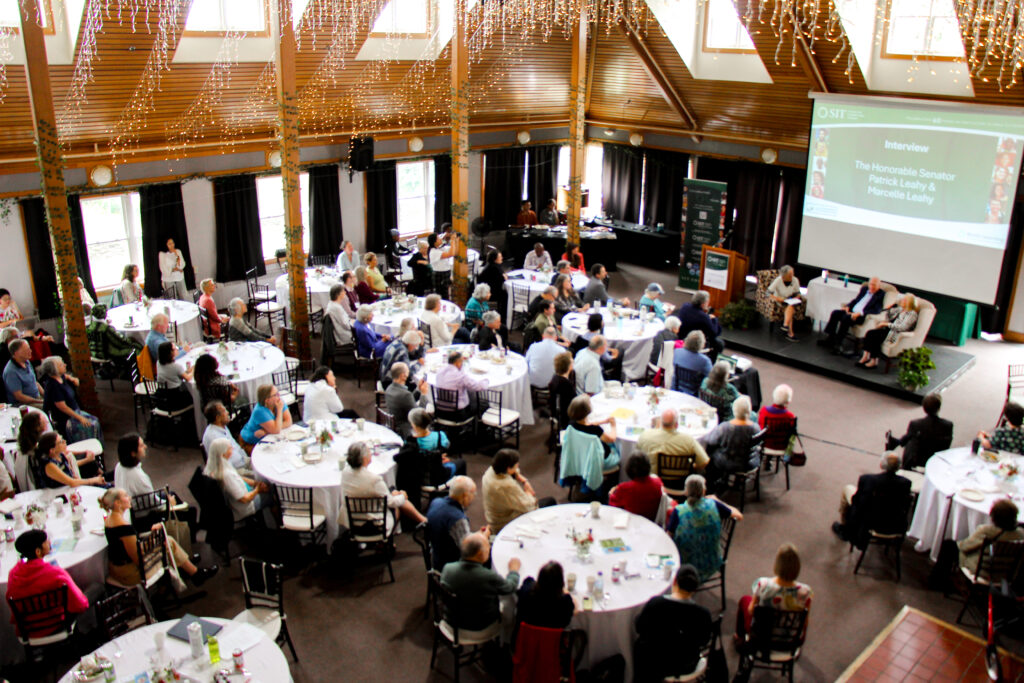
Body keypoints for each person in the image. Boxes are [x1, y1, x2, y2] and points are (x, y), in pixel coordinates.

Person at [99, 488, 217, 586]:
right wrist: (155, 538)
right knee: (168, 543)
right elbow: (138, 559)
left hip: (119, 568)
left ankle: (192, 571)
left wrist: (153, 536)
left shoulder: (109, 520)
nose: (129, 498)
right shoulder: (123, 527)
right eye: (125, 496)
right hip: (129, 572)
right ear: (117, 503)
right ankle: (194, 573)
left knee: (167, 541)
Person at [634, 564, 714, 683]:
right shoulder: (703, 614)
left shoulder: (656, 604)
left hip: (654, 661)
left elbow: (639, 627)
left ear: (674, 582)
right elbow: (704, 640)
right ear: (695, 589)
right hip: (686, 664)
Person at [6, 530, 93, 636]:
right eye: (46, 542)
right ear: (38, 551)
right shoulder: (55, 573)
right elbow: (80, 605)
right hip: (56, 625)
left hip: (29, 630)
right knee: (96, 589)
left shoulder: (13, 575)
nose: (49, 543)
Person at [440, 533, 521, 632]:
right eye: (488, 548)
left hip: (451, 620)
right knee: (508, 603)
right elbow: (510, 587)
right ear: (479, 554)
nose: (489, 550)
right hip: (479, 625)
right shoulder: (488, 576)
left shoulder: (448, 568)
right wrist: (514, 571)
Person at [734, 543, 812, 645]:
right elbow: (804, 622)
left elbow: (751, 611)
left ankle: (740, 636)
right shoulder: (806, 593)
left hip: (761, 635)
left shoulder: (763, 585)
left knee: (745, 600)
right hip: (789, 640)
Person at [668, 474, 742, 581]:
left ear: (686, 491)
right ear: (703, 491)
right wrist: (718, 500)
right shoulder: (714, 504)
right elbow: (739, 516)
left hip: (686, 565)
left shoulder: (679, 511)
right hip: (712, 562)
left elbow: (669, 537)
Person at [831, 452, 912, 549]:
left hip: (871, 521)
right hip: (893, 522)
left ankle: (845, 529)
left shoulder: (868, 479)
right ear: (899, 466)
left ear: (881, 465)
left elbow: (857, 501)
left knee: (847, 489)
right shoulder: (906, 483)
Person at [340, 442, 426, 528]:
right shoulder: (374, 480)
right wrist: (403, 496)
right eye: (369, 452)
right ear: (364, 458)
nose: (371, 454)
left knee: (394, 493)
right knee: (400, 500)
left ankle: (424, 520)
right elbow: (391, 503)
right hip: (374, 523)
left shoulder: (345, 473)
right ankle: (425, 521)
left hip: (353, 521)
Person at [482, 448, 551, 534]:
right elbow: (528, 507)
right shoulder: (506, 486)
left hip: (493, 517)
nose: (518, 466)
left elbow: (513, 471)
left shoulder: (490, 471)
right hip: (504, 524)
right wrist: (529, 494)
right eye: (516, 465)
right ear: (508, 468)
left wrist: (523, 480)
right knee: (549, 502)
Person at [39, 356, 103, 444]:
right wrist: (80, 418)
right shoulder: (54, 386)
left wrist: (71, 378)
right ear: (55, 370)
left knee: (95, 420)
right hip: (65, 418)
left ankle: (96, 448)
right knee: (91, 425)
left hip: (75, 410)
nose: (65, 365)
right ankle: (85, 448)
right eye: (61, 365)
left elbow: (70, 378)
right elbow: (62, 407)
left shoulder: (61, 376)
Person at [204, 438, 271, 520]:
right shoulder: (227, 475)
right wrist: (258, 489)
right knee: (272, 495)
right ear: (223, 453)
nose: (232, 449)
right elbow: (245, 499)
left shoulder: (216, 465)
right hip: (244, 508)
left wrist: (255, 483)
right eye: (229, 448)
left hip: (237, 499)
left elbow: (239, 477)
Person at [701, 396, 761, 487]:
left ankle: (711, 483)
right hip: (748, 462)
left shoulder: (725, 427)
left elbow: (711, 440)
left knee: (710, 452)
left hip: (727, 462)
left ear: (734, 410)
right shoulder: (755, 428)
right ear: (749, 411)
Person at [426, 475, 482, 569]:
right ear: (465, 495)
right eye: (473, 493)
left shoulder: (436, 502)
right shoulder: (458, 519)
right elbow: (468, 551)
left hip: (436, 556)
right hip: (452, 566)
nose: (474, 497)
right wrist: (482, 537)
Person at [885, 392, 953, 469]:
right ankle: (897, 442)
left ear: (924, 408)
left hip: (918, 459)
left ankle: (897, 442)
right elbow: (947, 445)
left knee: (911, 439)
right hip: (937, 459)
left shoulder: (916, 424)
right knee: (914, 435)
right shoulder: (948, 425)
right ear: (939, 408)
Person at [818, 276, 885, 351]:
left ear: (879, 286)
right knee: (835, 313)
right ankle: (830, 339)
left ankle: (838, 343)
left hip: (861, 316)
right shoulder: (864, 289)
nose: (872, 287)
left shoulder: (881, 294)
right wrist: (848, 306)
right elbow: (856, 300)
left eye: (874, 285)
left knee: (846, 318)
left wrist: (860, 313)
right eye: (871, 284)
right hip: (851, 311)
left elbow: (877, 310)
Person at [638, 407, 709, 473]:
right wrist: (691, 468)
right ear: (677, 425)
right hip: (681, 481)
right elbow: (704, 462)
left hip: (655, 481)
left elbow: (638, 457)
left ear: (660, 423)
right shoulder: (688, 440)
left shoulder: (645, 436)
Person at [857, 293, 918, 369]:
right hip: (888, 329)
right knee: (870, 333)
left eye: (905, 300)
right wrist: (889, 308)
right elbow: (887, 315)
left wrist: (886, 324)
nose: (902, 300)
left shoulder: (912, 314)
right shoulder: (900, 309)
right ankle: (865, 356)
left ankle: (874, 361)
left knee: (875, 335)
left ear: (909, 302)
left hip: (895, 333)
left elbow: (902, 327)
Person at [516, 560, 575, 631]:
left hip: (523, 640)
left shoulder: (527, 593)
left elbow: (528, 580)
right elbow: (569, 618)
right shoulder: (565, 602)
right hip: (552, 641)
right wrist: (566, 592)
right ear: (561, 583)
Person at [32, 431, 104, 489]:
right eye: (61, 442)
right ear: (52, 450)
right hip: (60, 493)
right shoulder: (49, 465)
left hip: (71, 486)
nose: (64, 442)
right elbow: (71, 482)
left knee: (92, 466)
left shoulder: (60, 455)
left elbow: (71, 473)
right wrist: (93, 480)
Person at [434, 349, 489, 420]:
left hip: (440, 412)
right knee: (484, 404)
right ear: (458, 362)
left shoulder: (439, 372)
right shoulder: (460, 376)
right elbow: (479, 386)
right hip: (457, 414)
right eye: (461, 362)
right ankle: (478, 429)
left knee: (469, 395)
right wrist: (486, 380)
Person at [609, 454, 664, 521]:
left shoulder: (624, 488)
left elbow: (613, 505)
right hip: (652, 522)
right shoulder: (658, 483)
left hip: (631, 523)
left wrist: (611, 494)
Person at [87, 303, 143, 369]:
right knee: (137, 347)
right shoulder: (106, 329)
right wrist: (132, 340)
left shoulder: (90, 327)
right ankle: (141, 371)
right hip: (107, 353)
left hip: (93, 354)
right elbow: (121, 342)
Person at [201, 401, 250, 472]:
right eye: (224, 411)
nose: (227, 412)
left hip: (242, 461)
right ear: (218, 418)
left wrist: (246, 459)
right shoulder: (215, 438)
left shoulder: (222, 426)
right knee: (264, 477)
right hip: (235, 470)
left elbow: (235, 447)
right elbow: (224, 467)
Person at [385, 363, 429, 437]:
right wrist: (423, 394)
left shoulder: (389, 389)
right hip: (406, 430)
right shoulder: (405, 395)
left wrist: (418, 389)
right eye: (407, 372)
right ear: (403, 376)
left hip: (394, 425)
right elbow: (419, 416)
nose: (408, 374)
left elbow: (407, 401)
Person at [678, 291, 723, 360]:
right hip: (694, 341)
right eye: (707, 302)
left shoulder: (685, 306)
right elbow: (714, 333)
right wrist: (714, 319)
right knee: (719, 343)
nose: (708, 304)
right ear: (702, 304)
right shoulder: (703, 317)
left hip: (680, 337)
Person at [580, 313, 622, 381]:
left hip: (585, 363)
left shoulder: (582, 337)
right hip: (599, 363)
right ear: (599, 324)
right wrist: (615, 355)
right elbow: (607, 359)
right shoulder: (599, 340)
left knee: (612, 351)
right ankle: (616, 378)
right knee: (620, 351)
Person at [766, 265, 803, 342]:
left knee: (790, 306)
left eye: (792, 274)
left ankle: (785, 325)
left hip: (789, 299)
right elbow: (768, 293)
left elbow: (798, 293)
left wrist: (796, 298)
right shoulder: (778, 280)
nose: (791, 276)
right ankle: (790, 333)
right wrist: (778, 299)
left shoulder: (795, 280)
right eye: (789, 275)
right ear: (784, 275)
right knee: (790, 308)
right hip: (779, 299)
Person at [155, 341, 194, 411]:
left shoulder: (158, 363)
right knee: (194, 396)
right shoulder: (176, 367)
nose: (177, 349)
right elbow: (188, 378)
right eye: (175, 348)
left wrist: (188, 371)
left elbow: (174, 374)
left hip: (161, 398)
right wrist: (194, 370)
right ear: (170, 352)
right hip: (175, 401)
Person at [758, 384, 797, 453]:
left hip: (765, 445)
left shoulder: (764, 411)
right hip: (782, 447)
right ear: (788, 401)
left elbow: (760, 426)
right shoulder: (790, 416)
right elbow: (792, 433)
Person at [4, 338, 43, 406]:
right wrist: (40, 401)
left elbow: (35, 382)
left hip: (36, 398)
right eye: (27, 350)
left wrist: (46, 395)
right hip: (24, 404)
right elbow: (19, 397)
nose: (30, 351)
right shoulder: (11, 372)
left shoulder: (26, 361)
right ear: (16, 353)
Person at [672, 330, 712, 395]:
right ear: (702, 344)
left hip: (675, 389)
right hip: (694, 394)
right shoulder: (705, 361)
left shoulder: (676, 352)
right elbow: (710, 378)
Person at [548, 351, 577, 428]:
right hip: (567, 417)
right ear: (569, 366)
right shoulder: (566, 384)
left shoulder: (555, 378)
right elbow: (574, 403)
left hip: (558, 413)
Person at [428, 233, 455, 297]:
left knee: (446, 292)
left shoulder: (440, 248)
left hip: (445, 273)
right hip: (440, 274)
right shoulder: (434, 252)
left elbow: (454, 252)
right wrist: (453, 241)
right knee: (442, 294)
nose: (440, 239)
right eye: (438, 238)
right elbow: (450, 254)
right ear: (434, 242)